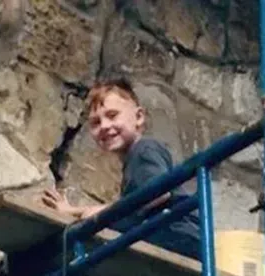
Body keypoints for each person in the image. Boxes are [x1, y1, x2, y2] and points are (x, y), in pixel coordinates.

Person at [42, 79, 201, 261]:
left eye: (112, 115)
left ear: (139, 117)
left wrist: (91, 214)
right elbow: (133, 204)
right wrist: (75, 211)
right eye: (95, 122)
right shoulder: (135, 159)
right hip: (168, 234)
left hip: (175, 236)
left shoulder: (144, 149)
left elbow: (155, 195)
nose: (104, 126)